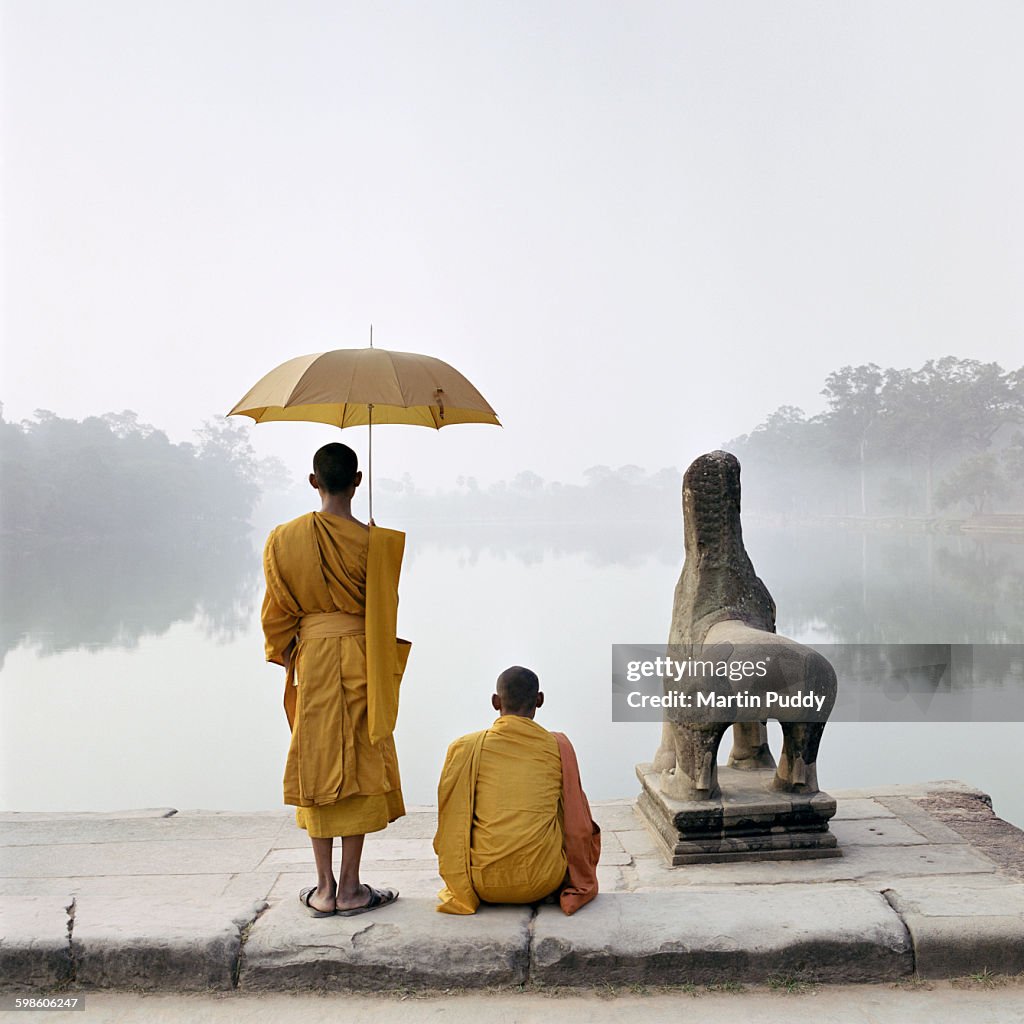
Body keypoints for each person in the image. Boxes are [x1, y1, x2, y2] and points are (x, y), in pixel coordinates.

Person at [261, 442, 410, 917]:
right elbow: (385, 612)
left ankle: (323, 889)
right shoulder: (375, 543)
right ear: (358, 481)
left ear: (313, 481)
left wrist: (288, 652)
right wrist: (371, 547)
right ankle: (351, 888)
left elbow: (277, 614)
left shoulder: (284, 539)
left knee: (319, 760)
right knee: (363, 763)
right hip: (361, 657)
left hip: (316, 658)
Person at [433, 666, 600, 915]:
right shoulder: (559, 746)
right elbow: (578, 824)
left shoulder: (464, 748)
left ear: (495, 702)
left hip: (483, 882)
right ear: (539, 700)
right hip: (543, 881)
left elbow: (450, 822)